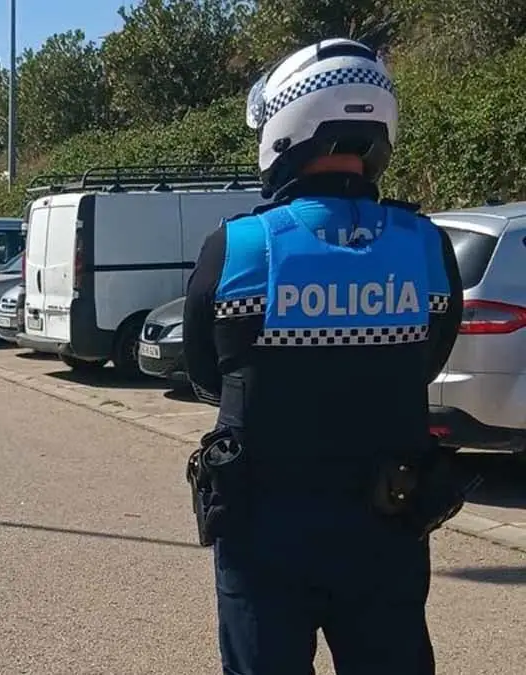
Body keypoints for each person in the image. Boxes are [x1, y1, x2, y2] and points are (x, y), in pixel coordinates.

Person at [182, 38, 466, 674]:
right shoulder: (426, 245)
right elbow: (430, 357)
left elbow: (203, 371)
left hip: (265, 525)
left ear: (287, 126)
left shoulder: (238, 246)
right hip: (387, 517)